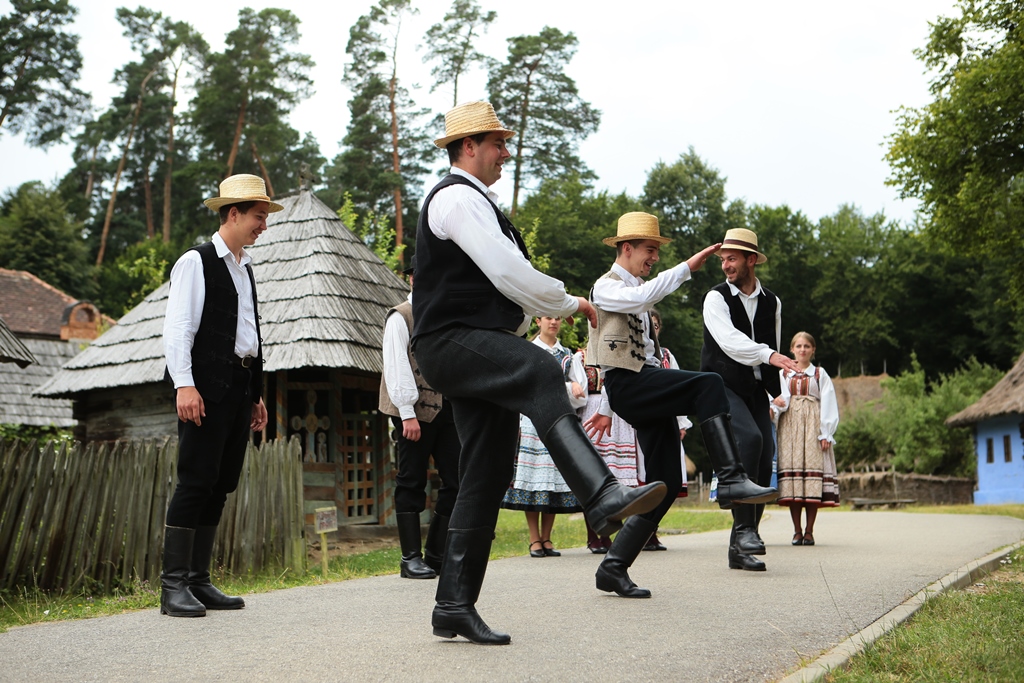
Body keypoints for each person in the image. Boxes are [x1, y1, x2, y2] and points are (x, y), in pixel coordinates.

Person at [411, 101, 666, 644]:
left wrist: (540, 303)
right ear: (469, 147)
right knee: (539, 369)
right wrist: (571, 302)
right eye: (497, 143)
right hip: (451, 342)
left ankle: (453, 605)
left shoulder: (479, 204)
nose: (506, 152)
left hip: (473, 343)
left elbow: (506, 290)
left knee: (485, 470)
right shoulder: (456, 199)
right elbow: (509, 273)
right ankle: (600, 495)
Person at [584, 212, 778, 599]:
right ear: (627, 248)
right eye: (649, 250)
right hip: (630, 387)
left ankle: (614, 566)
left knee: (667, 484)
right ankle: (732, 478)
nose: (653, 257)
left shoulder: (636, 289)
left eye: (656, 251)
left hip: (642, 388)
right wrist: (687, 267)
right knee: (709, 382)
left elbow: (643, 354)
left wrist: (665, 404)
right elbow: (635, 315)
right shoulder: (607, 288)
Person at [161, 174, 274, 617]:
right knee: (195, 480)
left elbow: (249, 335)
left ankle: (198, 580)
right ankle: (173, 587)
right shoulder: (197, 261)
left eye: (264, 217)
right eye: (258, 217)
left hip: (239, 388)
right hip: (205, 389)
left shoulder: (244, 268)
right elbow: (179, 329)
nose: (263, 225)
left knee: (221, 484)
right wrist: (184, 384)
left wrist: (257, 394)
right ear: (233, 214)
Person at [700, 228, 800, 572]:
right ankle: (744, 529)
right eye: (723, 259)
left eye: (732, 258)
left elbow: (774, 339)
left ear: (751, 260)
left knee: (764, 459)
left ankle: (740, 546)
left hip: (756, 387)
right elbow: (729, 342)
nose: (726, 265)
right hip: (721, 383)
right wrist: (769, 355)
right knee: (750, 439)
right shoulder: (715, 299)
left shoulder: (773, 301)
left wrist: (778, 392)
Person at [379, 257, 460, 579]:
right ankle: (410, 558)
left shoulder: (443, 315)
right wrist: (408, 413)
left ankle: (437, 555)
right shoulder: (401, 317)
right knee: (411, 481)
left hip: (448, 409)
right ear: (412, 279)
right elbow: (396, 365)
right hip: (412, 413)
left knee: (455, 481)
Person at [501, 316, 586, 558]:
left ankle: (547, 538)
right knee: (534, 478)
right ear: (538, 321)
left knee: (553, 480)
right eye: (549, 318)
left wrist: (569, 390)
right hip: (530, 421)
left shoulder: (568, 356)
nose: (554, 322)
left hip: (558, 421)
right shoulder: (528, 351)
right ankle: (533, 539)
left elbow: (582, 397)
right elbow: (521, 388)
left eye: (558, 318)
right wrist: (567, 388)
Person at [772, 332, 840, 546]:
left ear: (813, 350)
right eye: (799, 346)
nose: (802, 350)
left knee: (811, 481)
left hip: (813, 426)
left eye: (806, 346)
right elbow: (776, 399)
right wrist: (775, 407)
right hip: (789, 428)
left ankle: (809, 531)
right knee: (793, 482)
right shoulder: (783, 374)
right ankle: (796, 531)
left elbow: (829, 401)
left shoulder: (820, 374)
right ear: (792, 349)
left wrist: (826, 432)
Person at [640, 309, 693, 551]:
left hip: (666, 418)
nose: (653, 330)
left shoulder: (667, 356)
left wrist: (681, 422)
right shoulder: (635, 353)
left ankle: (651, 529)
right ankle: (639, 531)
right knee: (644, 477)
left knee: (665, 477)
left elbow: (678, 388)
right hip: (640, 421)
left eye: (656, 326)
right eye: (648, 326)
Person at [576, 350, 637, 554]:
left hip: (618, 415)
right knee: (593, 477)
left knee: (618, 478)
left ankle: (609, 534)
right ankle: (593, 534)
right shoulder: (580, 358)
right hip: (591, 413)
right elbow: (577, 393)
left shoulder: (617, 353)